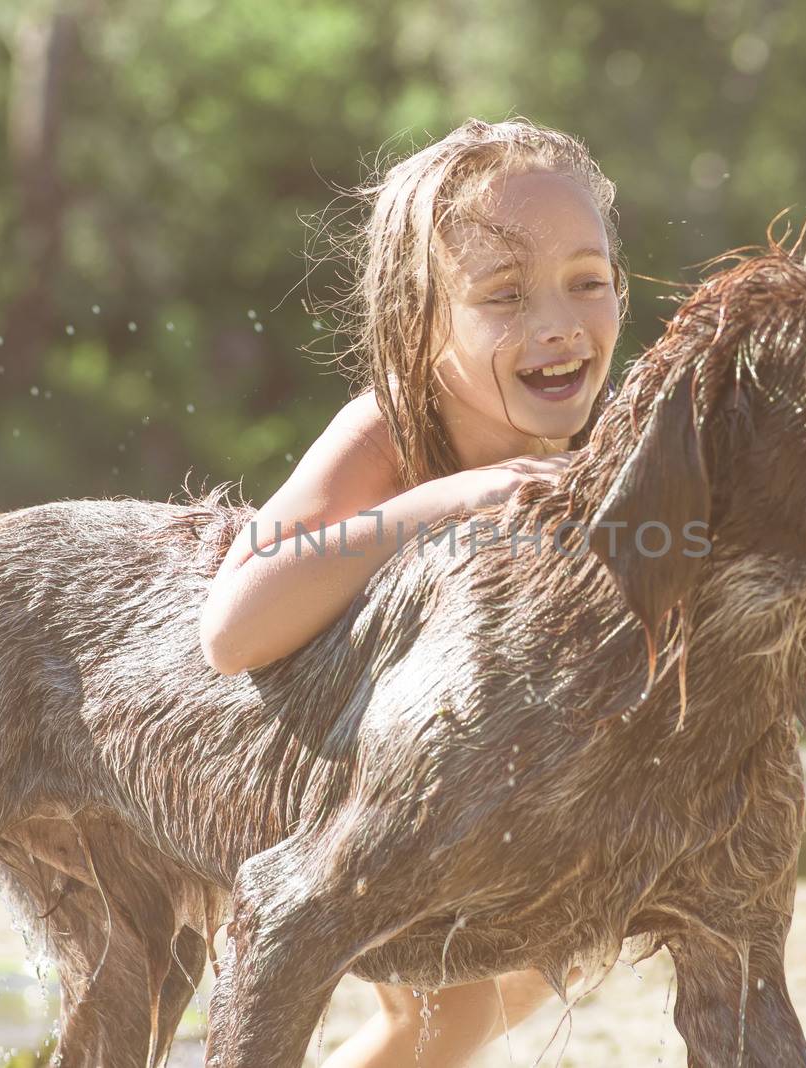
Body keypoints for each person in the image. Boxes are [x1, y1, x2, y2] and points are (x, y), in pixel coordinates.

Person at [198, 116, 626, 1067]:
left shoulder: (598, 458)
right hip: (317, 798)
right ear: (421, 324)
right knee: (440, 1015)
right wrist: (438, 503)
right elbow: (229, 631)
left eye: (586, 282)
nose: (557, 322)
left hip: (458, 798)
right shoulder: (389, 437)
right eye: (504, 296)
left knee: (496, 995)